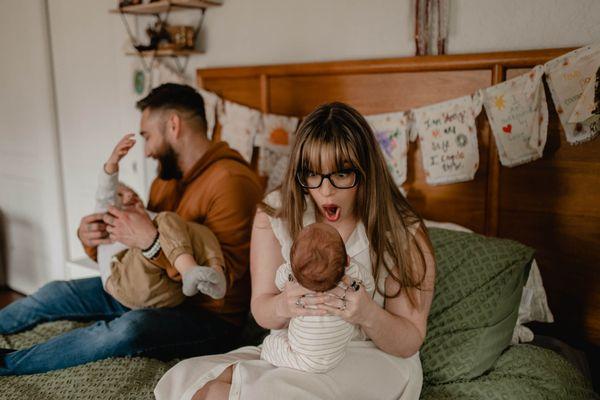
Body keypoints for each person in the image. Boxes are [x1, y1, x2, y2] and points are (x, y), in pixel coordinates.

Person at [154, 102, 436, 400]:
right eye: (312, 174)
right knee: (190, 381)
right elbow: (262, 309)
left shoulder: (403, 232)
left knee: (237, 394)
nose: (325, 191)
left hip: (374, 357)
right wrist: (284, 305)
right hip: (298, 347)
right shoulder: (277, 213)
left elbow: (409, 340)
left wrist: (368, 314)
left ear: (366, 170)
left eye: (341, 174)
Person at [0, 83, 263, 375]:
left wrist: (151, 243)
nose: (147, 151)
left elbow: (220, 286)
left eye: (148, 136)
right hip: (150, 288)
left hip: (209, 316)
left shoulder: (232, 182)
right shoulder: (165, 179)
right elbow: (140, 248)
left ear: (173, 125)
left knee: (126, 330)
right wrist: (96, 236)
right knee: (55, 293)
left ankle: (7, 364)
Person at [95, 133, 228, 309]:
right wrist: (113, 162)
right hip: (125, 279)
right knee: (167, 218)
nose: (129, 195)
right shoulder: (111, 216)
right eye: (120, 194)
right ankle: (188, 270)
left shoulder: (151, 216)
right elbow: (105, 192)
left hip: (170, 291)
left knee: (198, 230)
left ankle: (215, 275)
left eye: (134, 193)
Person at [260, 222, 375, 373]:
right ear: (347, 259)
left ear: (294, 264)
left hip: (302, 358)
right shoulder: (352, 270)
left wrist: (289, 268)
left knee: (270, 344)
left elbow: (279, 282)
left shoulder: (293, 276)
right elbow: (369, 284)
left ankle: (271, 349)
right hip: (338, 356)